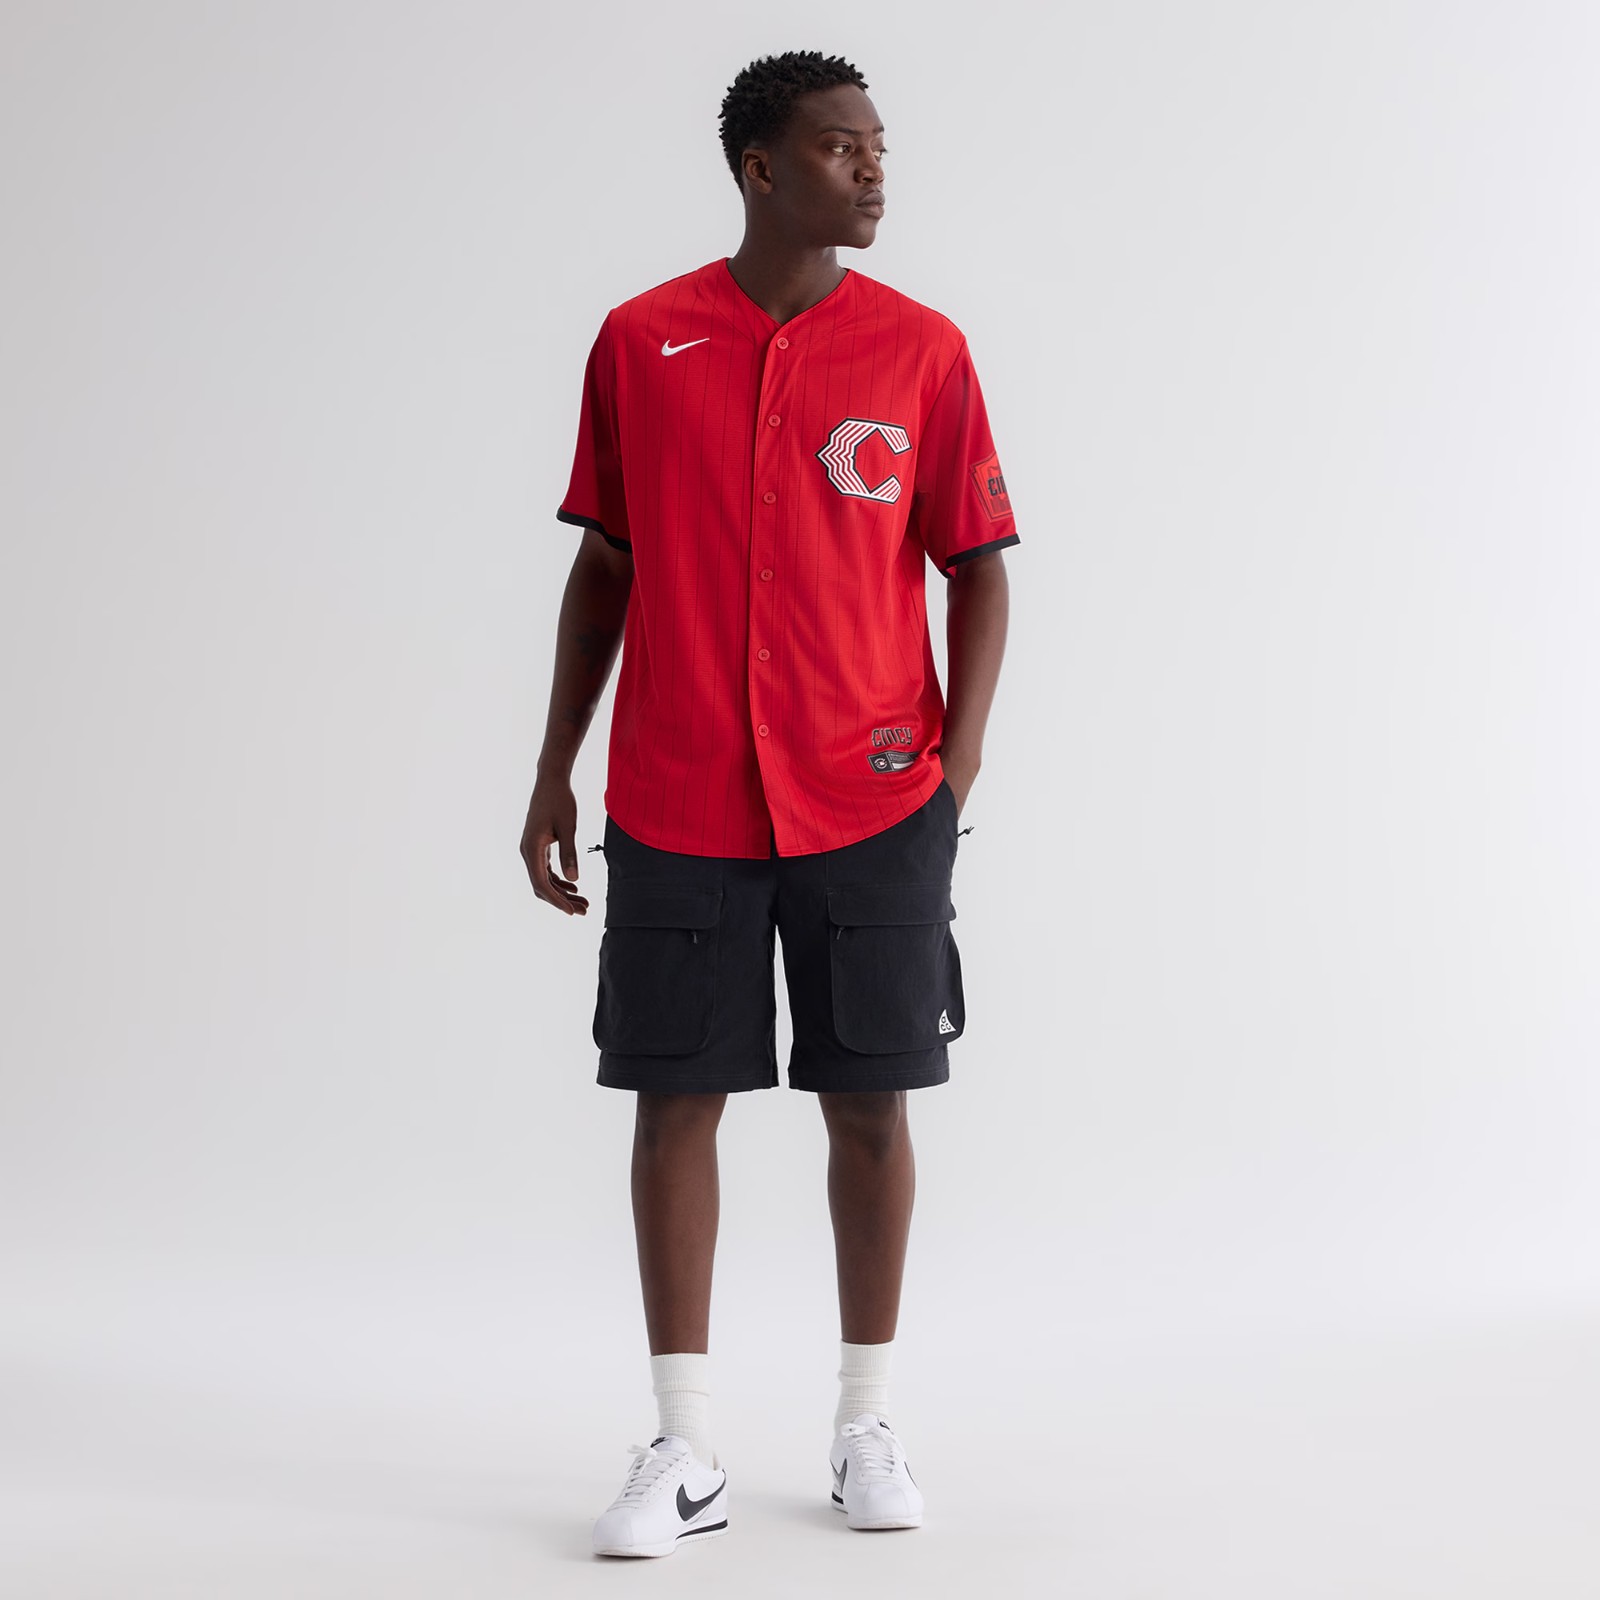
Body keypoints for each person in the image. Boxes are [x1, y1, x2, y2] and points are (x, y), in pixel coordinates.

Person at [521, 49, 1018, 1559]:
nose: (873, 169)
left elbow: (979, 565)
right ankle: (683, 1447)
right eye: (840, 147)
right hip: (677, 790)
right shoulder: (641, 340)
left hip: (872, 796)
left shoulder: (923, 351)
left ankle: (867, 1423)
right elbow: (604, 565)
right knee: (675, 1099)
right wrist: (552, 763)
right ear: (759, 166)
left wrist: (955, 768)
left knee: (873, 1100)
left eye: (879, 147)